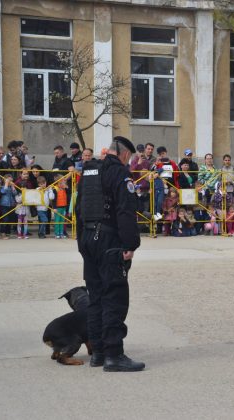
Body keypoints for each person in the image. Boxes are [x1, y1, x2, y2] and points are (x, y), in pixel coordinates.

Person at [75, 136, 144, 372]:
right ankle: (114, 355)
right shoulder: (120, 173)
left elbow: (79, 208)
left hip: (87, 239)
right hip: (109, 241)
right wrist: (130, 245)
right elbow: (126, 210)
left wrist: (81, 242)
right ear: (125, 154)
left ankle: (98, 353)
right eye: (129, 158)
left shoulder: (89, 171)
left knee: (95, 297)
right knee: (114, 296)